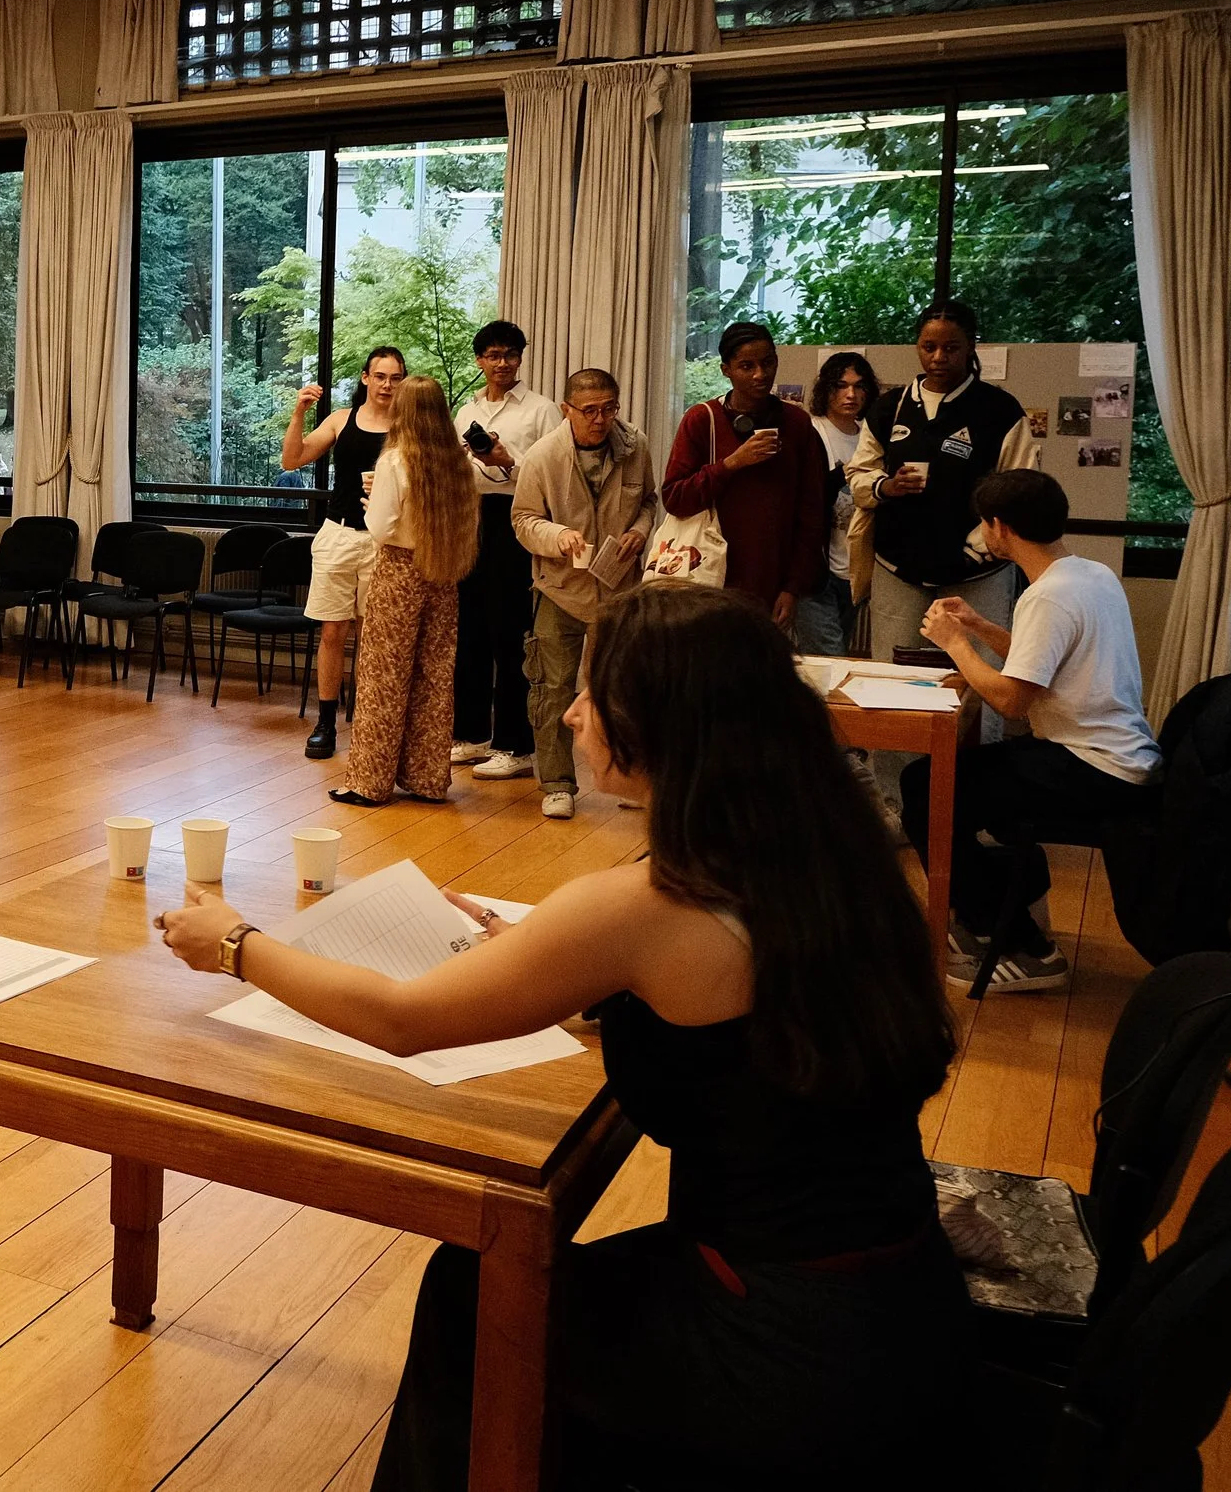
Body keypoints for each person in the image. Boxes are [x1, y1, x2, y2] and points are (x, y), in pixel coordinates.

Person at [154, 587, 964, 1490]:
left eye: (592, 691)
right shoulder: (827, 856)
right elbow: (738, 1019)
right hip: (905, 1303)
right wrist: (554, 966)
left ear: (654, 722)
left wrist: (235, 943)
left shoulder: (651, 902)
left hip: (780, 1344)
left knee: (470, 1295)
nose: (573, 712)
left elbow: (399, 1018)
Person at [903, 469, 1160, 996]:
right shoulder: (1090, 574)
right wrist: (977, 625)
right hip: (1120, 757)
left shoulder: (1047, 596)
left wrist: (955, 644)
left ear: (1000, 527)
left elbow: (1011, 701)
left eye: (984, 523)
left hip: (1091, 767)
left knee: (928, 787)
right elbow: (1037, 660)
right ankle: (993, 911)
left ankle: (1025, 946)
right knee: (937, 784)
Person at [846, 298, 1035, 664]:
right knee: (894, 671)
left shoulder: (999, 410)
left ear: (970, 347)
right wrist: (885, 486)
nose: (938, 357)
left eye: (951, 348)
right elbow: (858, 475)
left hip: (977, 571)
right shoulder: (890, 407)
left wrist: (977, 549)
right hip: (898, 566)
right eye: (928, 347)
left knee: (979, 672)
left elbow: (1021, 491)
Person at [511, 369, 656, 820]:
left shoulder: (635, 445)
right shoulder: (543, 455)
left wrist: (639, 531)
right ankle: (557, 783)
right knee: (553, 690)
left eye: (609, 408)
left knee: (621, 688)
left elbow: (649, 501)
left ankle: (633, 777)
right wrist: (557, 536)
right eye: (589, 410)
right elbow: (523, 519)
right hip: (559, 589)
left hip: (619, 591)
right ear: (566, 410)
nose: (600, 419)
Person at [332, 376, 481, 809]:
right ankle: (427, 778)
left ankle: (370, 782)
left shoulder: (395, 460)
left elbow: (380, 528)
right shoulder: (459, 463)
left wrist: (370, 504)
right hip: (443, 574)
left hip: (399, 572)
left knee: (383, 677)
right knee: (434, 677)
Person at [659, 320, 827, 628]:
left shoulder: (796, 423)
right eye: (747, 366)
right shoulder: (702, 419)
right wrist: (731, 464)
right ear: (726, 370)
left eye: (767, 363)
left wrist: (792, 587)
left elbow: (812, 513)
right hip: (707, 580)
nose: (760, 374)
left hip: (771, 585)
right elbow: (675, 498)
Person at [283, 346, 406, 760]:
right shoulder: (342, 419)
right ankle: (325, 723)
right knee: (333, 632)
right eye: (380, 376)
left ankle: (370, 724)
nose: (387, 385)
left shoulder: (407, 428)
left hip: (384, 539)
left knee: (374, 637)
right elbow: (292, 459)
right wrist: (299, 412)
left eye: (395, 378)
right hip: (338, 534)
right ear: (366, 378)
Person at [450, 321, 552, 782]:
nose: (502, 363)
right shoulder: (467, 410)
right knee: (470, 631)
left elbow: (553, 474)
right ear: (479, 360)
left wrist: (507, 460)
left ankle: (516, 745)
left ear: (521, 358)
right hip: (470, 519)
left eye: (510, 354)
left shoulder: (541, 410)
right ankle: (471, 735)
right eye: (493, 355)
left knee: (511, 634)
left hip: (516, 519)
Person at [795, 351, 877, 656]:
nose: (850, 395)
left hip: (854, 568)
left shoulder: (871, 435)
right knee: (829, 657)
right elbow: (803, 495)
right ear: (826, 389)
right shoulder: (811, 430)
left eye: (859, 386)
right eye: (841, 386)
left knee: (837, 654)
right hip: (815, 567)